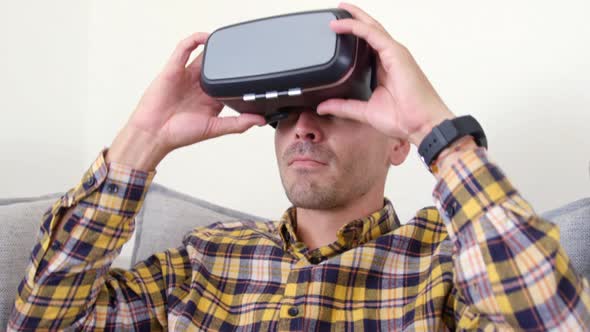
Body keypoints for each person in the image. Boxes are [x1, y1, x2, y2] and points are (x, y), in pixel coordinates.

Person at [8, 3, 589, 331]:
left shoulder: (449, 266)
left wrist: (434, 129)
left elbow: (555, 321)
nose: (304, 126)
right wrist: (145, 138)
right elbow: (42, 323)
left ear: (396, 143)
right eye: (287, 112)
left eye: (336, 108)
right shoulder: (202, 259)